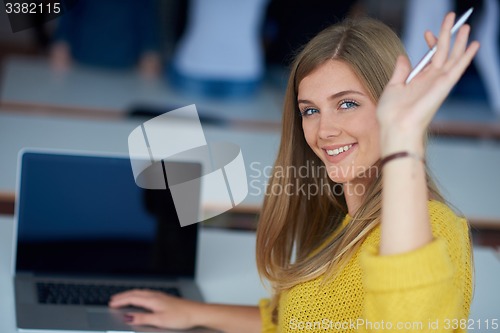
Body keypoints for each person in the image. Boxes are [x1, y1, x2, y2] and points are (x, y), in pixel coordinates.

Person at [108, 12, 479, 333]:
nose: (324, 130)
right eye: (310, 110)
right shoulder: (340, 215)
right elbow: (304, 320)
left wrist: (403, 139)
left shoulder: (432, 228)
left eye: (347, 104)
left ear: (392, 102)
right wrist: (193, 312)